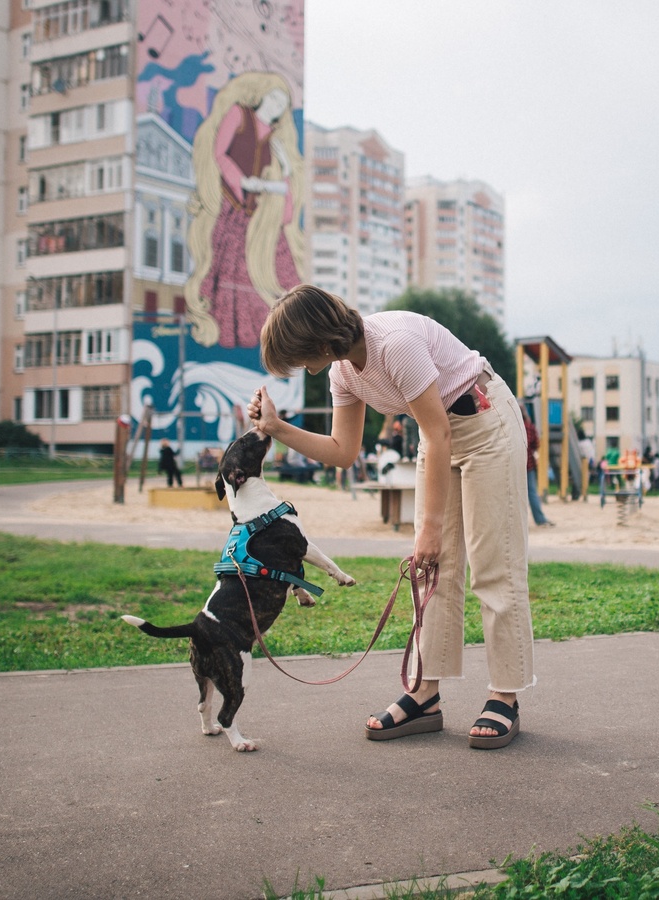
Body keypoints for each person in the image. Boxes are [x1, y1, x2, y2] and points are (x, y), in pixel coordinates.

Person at [248, 285, 534, 750]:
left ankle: (505, 695)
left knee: (493, 568)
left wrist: (429, 530)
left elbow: (439, 431)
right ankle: (425, 695)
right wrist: (277, 429)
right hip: (438, 435)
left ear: (319, 341)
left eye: (298, 357)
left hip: (484, 426)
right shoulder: (342, 371)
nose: (299, 367)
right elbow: (343, 452)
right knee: (432, 571)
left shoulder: (394, 343)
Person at [183, 72, 304, 349]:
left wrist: (285, 172)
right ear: (262, 94)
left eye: (282, 104)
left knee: (279, 277)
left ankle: (275, 340)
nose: (276, 106)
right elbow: (219, 154)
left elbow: (286, 212)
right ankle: (228, 335)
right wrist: (241, 180)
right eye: (274, 98)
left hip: (258, 219)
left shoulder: (277, 139)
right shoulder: (238, 114)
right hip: (232, 207)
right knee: (226, 275)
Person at [522, 411, 555, 527]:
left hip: (515, 463)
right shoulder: (530, 427)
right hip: (529, 463)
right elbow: (536, 444)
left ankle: (519, 522)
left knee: (515, 493)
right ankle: (540, 519)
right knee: (532, 492)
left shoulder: (514, 425)